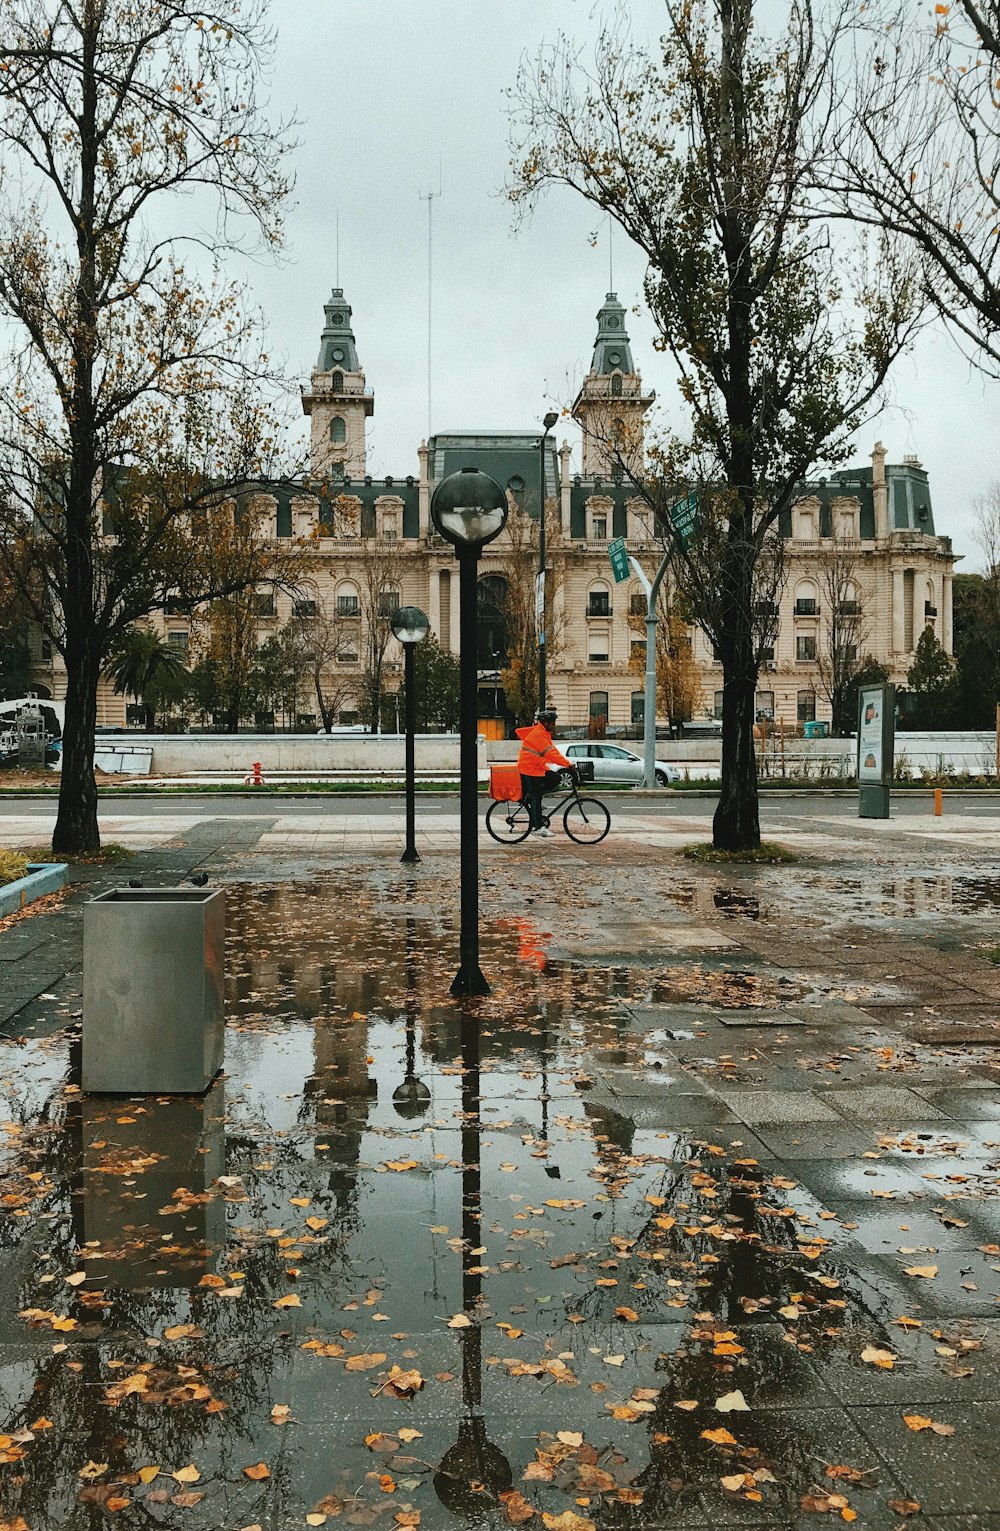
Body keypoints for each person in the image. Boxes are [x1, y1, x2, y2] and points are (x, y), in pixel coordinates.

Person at [515, 708, 573, 837]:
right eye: (552, 723)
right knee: (536, 797)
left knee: (555, 778)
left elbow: (551, 752)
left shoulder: (543, 733)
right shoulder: (538, 734)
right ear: (546, 723)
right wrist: (567, 764)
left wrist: (565, 763)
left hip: (537, 768)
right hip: (529, 769)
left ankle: (534, 800)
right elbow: (551, 753)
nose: (554, 726)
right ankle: (538, 827)